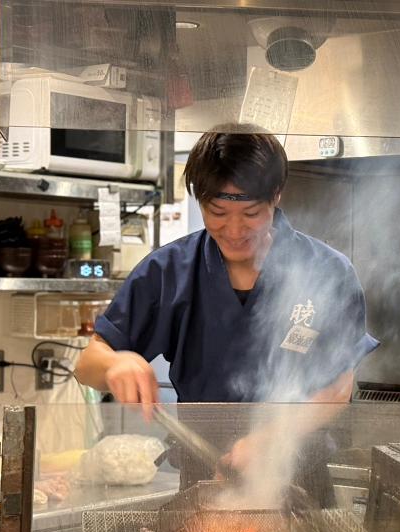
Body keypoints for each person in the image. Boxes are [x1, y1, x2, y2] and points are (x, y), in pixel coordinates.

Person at [74, 127, 378, 504]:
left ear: (276, 196)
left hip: (302, 488)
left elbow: (338, 388)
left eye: (251, 213)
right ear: (200, 201)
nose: (234, 230)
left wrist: (268, 440)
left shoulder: (326, 271)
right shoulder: (169, 272)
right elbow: (87, 363)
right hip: (206, 483)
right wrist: (114, 364)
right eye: (216, 213)